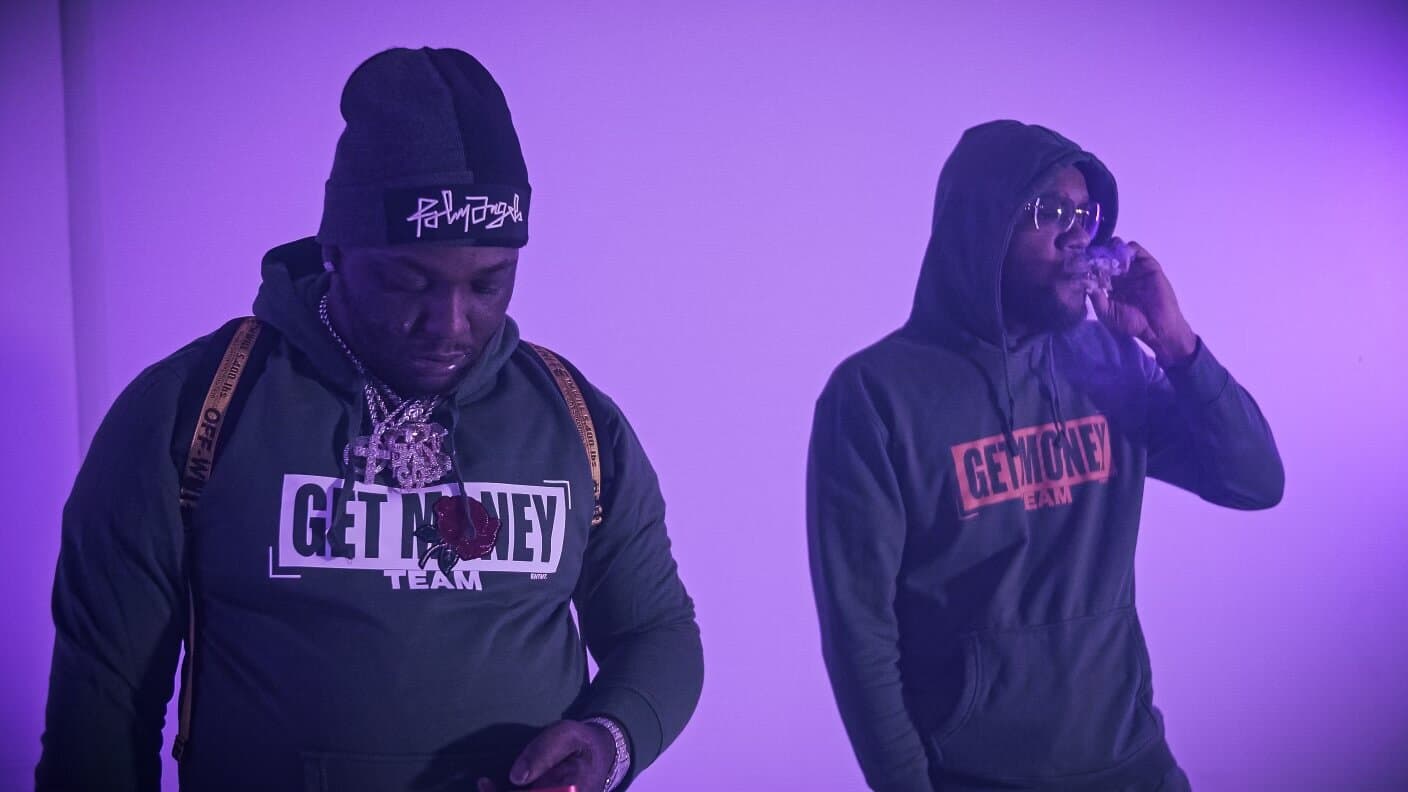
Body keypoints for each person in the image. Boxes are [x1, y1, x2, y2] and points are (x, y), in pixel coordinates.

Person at [37, 47, 703, 792]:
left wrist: (610, 741)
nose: (450, 324)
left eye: (489, 284)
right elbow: (102, 703)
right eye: (408, 283)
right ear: (336, 250)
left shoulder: (576, 419)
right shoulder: (192, 409)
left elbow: (657, 632)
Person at [807, 120, 1283, 791]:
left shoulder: (1110, 363)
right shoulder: (875, 395)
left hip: (1133, 764)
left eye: (1085, 216)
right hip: (978, 778)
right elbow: (860, 637)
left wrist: (1176, 346)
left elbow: (1256, 480)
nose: (1076, 236)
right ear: (983, 226)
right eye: (1050, 211)